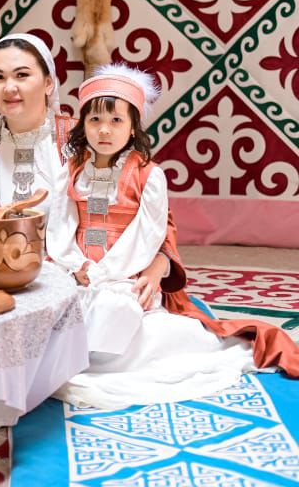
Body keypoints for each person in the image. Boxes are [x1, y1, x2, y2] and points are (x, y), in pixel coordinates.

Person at [47, 64, 298, 408]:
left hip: (124, 275)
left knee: (114, 311)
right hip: (78, 271)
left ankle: (97, 362)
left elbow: (147, 235)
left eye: (116, 120)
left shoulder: (148, 175)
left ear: (133, 126)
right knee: (50, 307)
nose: (104, 129)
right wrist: (76, 265)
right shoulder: (72, 170)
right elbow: (61, 224)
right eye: (95, 120)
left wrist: (106, 273)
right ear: (83, 124)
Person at [0, 33, 187, 296]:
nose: (9, 87)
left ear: (48, 83)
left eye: (21, 75)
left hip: (85, 277)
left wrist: (157, 267)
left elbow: (155, 215)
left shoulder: (82, 140)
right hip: (6, 277)